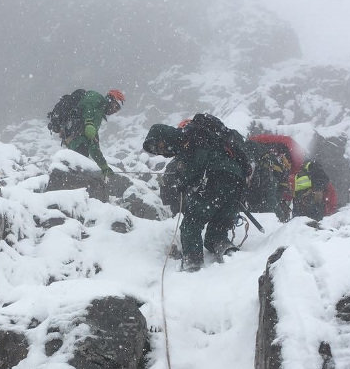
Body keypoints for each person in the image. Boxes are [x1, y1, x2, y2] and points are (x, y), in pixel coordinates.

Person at [143, 114, 251, 271]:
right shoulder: (213, 138)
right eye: (157, 151)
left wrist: (183, 181)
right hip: (236, 185)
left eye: (159, 145)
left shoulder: (189, 135)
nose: (161, 150)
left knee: (191, 224)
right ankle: (227, 251)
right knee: (216, 233)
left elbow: (198, 162)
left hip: (216, 180)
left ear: (164, 135)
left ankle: (192, 264)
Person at [47, 88, 125, 176]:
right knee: (79, 166)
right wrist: (88, 122)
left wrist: (104, 166)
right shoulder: (96, 97)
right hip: (76, 139)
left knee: (80, 162)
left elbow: (93, 144)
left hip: (75, 140)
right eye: (116, 107)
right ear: (111, 99)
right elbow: (87, 104)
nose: (115, 111)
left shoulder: (98, 115)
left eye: (118, 110)